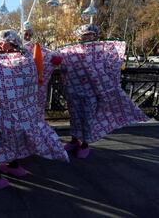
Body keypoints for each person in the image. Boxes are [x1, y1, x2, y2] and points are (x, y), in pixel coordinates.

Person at [0, 29, 68, 189]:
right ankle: (14, 166)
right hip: (21, 113)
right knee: (13, 140)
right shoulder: (27, 59)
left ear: (12, 43)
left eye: (1, 42)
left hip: (3, 113)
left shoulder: (10, 62)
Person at [60, 24, 148, 158]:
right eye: (84, 35)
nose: (87, 37)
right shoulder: (72, 51)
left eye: (89, 34)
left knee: (88, 118)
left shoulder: (102, 51)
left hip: (92, 92)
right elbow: (64, 66)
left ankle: (85, 144)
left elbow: (111, 65)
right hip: (73, 90)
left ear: (95, 35)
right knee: (75, 117)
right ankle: (74, 140)